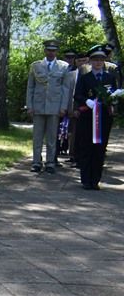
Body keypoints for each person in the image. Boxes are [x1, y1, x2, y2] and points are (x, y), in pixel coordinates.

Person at [73, 47, 116, 190]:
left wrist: (114, 100)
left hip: (104, 118)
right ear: (90, 62)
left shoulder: (110, 78)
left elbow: (114, 94)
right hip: (87, 117)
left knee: (100, 149)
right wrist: (87, 101)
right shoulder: (85, 78)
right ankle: (86, 180)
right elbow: (77, 95)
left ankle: (95, 180)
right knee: (86, 147)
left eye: (101, 60)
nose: (98, 62)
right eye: (96, 60)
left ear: (104, 61)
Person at [25, 39, 71, 173]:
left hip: (54, 107)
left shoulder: (63, 67)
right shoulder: (36, 66)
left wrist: (63, 107)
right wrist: (29, 105)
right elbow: (30, 87)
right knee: (37, 137)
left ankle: (50, 162)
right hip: (38, 106)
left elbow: (66, 89)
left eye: (54, 50)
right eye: (49, 50)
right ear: (45, 51)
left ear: (57, 51)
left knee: (52, 137)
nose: (51, 53)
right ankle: (36, 162)